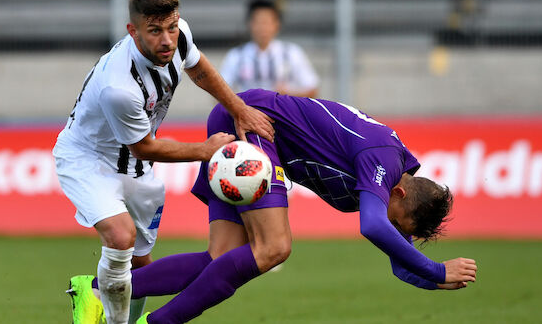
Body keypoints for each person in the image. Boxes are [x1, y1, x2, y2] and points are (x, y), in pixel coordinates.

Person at [79, 89, 477, 323]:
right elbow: (373, 227)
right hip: (254, 123)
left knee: (222, 256)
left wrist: (434, 280)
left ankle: (97, 291)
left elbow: (396, 257)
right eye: (400, 222)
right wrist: (437, 267)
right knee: (274, 248)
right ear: (402, 194)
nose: (395, 229)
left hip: (253, 133)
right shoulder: (384, 160)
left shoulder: (393, 180)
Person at [52, 0, 273, 324]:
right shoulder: (119, 89)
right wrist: (205, 151)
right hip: (88, 159)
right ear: (133, 31)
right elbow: (144, 146)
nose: (168, 39)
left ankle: (105, 298)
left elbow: (199, 70)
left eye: (171, 27)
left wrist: (239, 109)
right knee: (121, 236)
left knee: (142, 267)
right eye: (155, 31)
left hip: (137, 169)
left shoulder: (178, 37)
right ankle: (100, 302)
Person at [220, 0, 319, 98]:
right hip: (246, 112)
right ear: (249, 24)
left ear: (277, 24)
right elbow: (220, 90)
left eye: (266, 22)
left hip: (281, 112)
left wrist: (288, 93)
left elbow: (312, 89)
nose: (262, 27)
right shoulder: (236, 55)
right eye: (258, 22)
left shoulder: (291, 52)